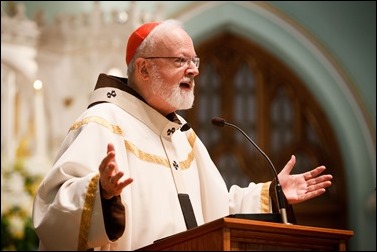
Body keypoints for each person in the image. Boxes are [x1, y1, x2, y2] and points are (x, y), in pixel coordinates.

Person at [32, 19, 333, 251]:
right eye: (180, 61)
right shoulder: (103, 122)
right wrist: (103, 194)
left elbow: (214, 212)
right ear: (144, 68)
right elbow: (52, 209)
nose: (194, 71)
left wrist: (272, 194)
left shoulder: (182, 137)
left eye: (195, 61)